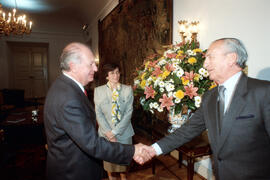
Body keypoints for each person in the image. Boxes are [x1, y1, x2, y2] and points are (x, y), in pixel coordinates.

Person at [144, 38, 270, 180]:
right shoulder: (210, 97)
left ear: (231, 58)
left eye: (210, 57)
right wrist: (153, 149)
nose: (205, 63)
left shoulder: (264, 92)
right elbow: (188, 130)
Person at [43, 42, 150, 180]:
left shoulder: (64, 87)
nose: (95, 68)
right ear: (73, 67)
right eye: (91, 64)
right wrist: (133, 150)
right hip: (73, 172)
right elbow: (91, 143)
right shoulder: (68, 97)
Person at [94, 63, 134, 180]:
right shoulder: (98, 91)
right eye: (112, 73)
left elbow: (128, 113)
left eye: (117, 72)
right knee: (109, 168)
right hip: (106, 135)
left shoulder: (127, 90)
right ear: (106, 76)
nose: (116, 75)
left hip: (124, 133)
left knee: (123, 168)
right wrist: (109, 134)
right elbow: (99, 114)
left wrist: (115, 132)